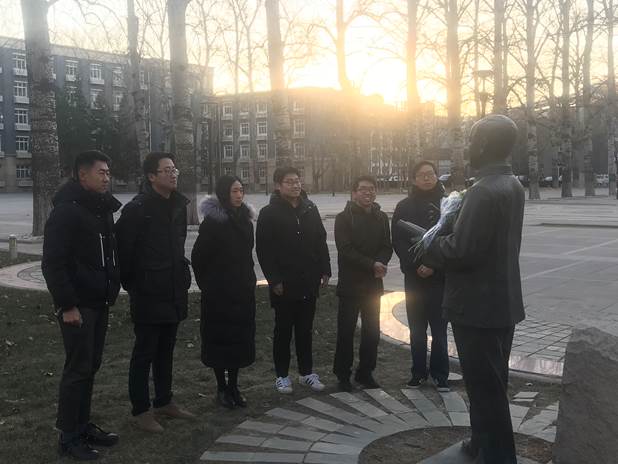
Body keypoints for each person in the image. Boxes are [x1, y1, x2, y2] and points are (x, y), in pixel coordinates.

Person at [421, 114, 525, 464]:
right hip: (501, 302)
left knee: (486, 390)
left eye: (471, 140)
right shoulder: (512, 184)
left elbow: (460, 251)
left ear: (483, 145)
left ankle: (498, 457)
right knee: (490, 383)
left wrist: (427, 243)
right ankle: (481, 443)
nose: (468, 147)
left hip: (476, 306)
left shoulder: (482, 191)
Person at [42, 150, 121, 461]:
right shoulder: (67, 211)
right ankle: (68, 436)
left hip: (99, 301)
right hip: (79, 305)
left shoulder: (100, 210)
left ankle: (82, 425)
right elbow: (53, 263)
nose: (106, 178)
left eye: (108, 173)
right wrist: (68, 305)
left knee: (90, 366)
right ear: (82, 174)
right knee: (77, 369)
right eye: (101, 172)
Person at [115, 152, 195, 433]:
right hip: (148, 293)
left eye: (175, 169)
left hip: (173, 289)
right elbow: (123, 252)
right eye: (166, 170)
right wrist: (137, 284)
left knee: (166, 350)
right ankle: (141, 410)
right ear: (151, 176)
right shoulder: (137, 209)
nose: (173, 174)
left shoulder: (178, 206)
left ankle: (164, 401)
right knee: (144, 353)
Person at [256, 167, 331, 394]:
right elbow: (264, 250)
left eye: (297, 181)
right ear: (278, 186)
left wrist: (325, 269)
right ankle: (282, 375)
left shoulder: (310, 208)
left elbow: (320, 240)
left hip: (308, 279)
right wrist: (274, 280)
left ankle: (307, 373)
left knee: (305, 329)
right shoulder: (269, 213)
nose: (295, 185)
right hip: (284, 283)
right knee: (283, 330)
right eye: (289, 182)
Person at [191, 176, 257, 409]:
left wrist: (248, 280)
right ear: (223, 193)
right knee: (220, 340)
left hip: (242, 291)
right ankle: (221, 387)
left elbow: (247, 255)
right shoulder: (213, 222)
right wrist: (209, 284)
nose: (238, 195)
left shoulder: (246, 221)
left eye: (241, 190)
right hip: (218, 294)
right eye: (234, 191)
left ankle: (234, 386)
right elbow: (199, 257)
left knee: (238, 340)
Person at [391, 161, 450, 392]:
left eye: (431, 174)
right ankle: (418, 373)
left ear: (436, 176)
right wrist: (415, 265)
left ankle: (440, 374)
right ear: (414, 179)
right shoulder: (404, 206)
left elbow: (453, 239)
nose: (427, 178)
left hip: (439, 278)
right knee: (416, 330)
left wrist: (433, 265)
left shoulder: (448, 205)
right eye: (422, 175)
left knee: (440, 331)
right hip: (414, 279)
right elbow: (398, 240)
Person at [333, 175, 392, 392]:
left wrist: (381, 262)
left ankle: (365, 372)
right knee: (346, 332)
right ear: (354, 193)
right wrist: (371, 264)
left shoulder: (381, 217)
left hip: (373, 285)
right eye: (363, 189)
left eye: (372, 188)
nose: (368, 192)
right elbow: (345, 249)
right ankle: (343, 375)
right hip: (350, 285)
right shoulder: (343, 218)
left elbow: (387, 245)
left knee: (372, 332)